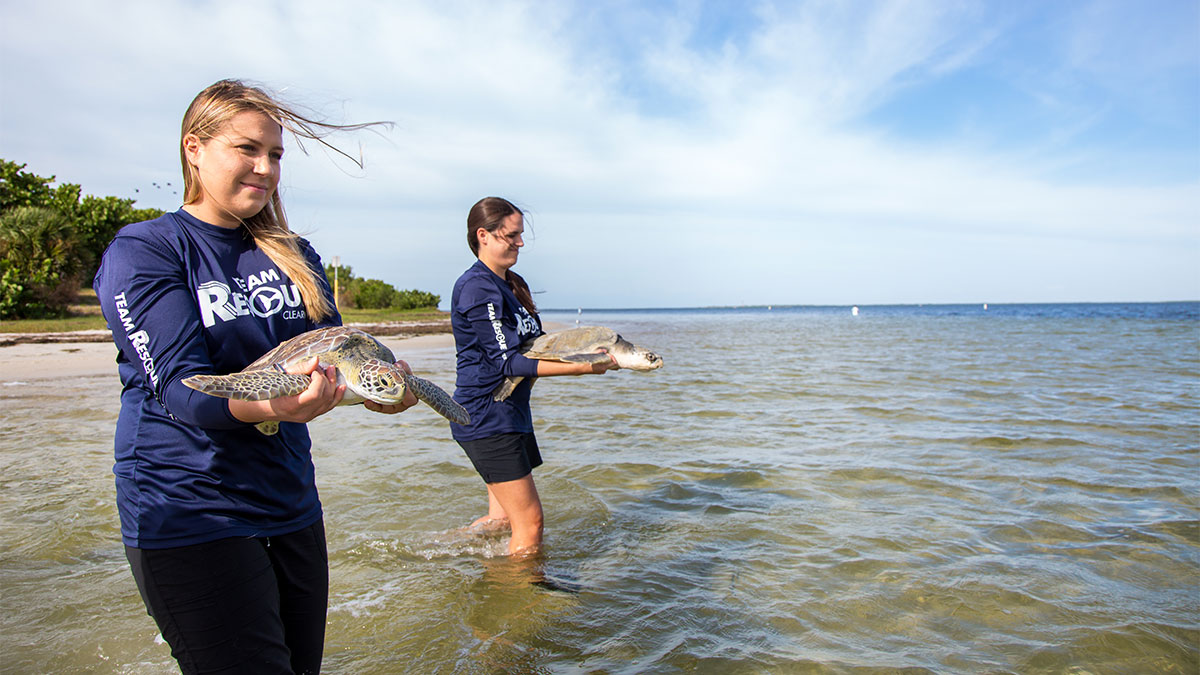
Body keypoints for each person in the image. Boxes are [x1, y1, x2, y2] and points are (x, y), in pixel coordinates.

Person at [93, 79, 415, 674]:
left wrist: (389, 393)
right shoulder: (147, 250)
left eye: (276, 155)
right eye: (247, 149)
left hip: (290, 503)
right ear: (195, 148)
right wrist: (273, 405)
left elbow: (341, 353)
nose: (265, 168)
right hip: (190, 509)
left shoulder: (294, 252)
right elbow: (182, 391)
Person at [449, 197, 616, 557]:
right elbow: (507, 362)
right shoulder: (477, 288)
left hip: (511, 416)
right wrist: (582, 367)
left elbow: (536, 347)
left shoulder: (511, 284)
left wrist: (587, 349)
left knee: (503, 520)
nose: (520, 243)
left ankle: (439, 553)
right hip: (485, 418)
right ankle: (523, 601)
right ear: (484, 236)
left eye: (521, 235)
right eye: (511, 236)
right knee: (531, 522)